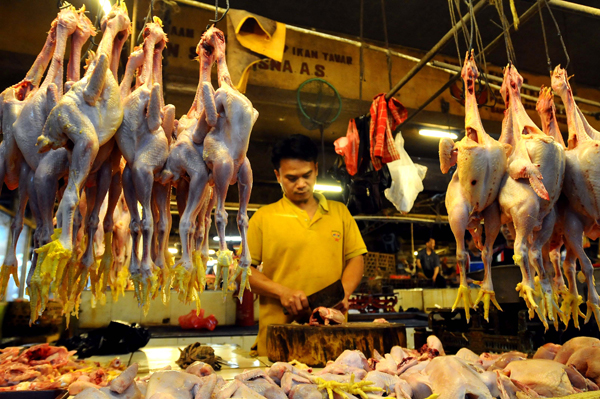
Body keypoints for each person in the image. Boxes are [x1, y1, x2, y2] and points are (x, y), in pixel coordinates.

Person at [246, 134, 367, 356]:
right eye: (292, 178)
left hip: (333, 341)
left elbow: (356, 259)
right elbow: (242, 272)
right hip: (279, 343)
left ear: (316, 169)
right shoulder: (263, 218)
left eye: (307, 176)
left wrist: (344, 293)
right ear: (277, 176)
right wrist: (281, 292)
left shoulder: (340, 213)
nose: (301, 184)